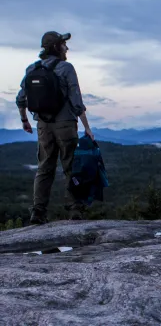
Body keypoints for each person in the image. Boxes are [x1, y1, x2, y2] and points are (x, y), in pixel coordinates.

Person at [16, 31, 95, 224]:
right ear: (56, 47)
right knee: (70, 167)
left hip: (43, 125)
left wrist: (25, 120)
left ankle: (38, 212)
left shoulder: (32, 69)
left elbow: (20, 98)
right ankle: (75, 210)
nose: (66, 48)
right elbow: (76, 101)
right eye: (63, 44)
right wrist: (87, 128)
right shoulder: (66, 68)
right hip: (66, 124)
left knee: (44, 168)